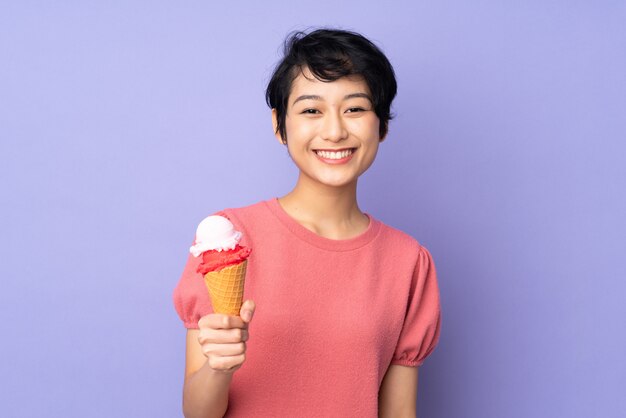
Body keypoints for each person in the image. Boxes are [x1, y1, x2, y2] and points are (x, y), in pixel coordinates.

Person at [173, 28, 442, 418]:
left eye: (355, 108)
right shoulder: (226, 240)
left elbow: (399, 413)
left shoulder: (409, 262)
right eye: (311, 110)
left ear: (381, 125)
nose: (334, 131)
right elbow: (198, 414)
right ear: (279, 125)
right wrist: (219, 367)